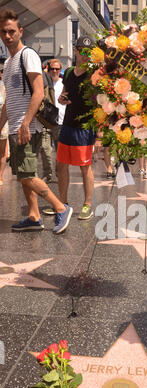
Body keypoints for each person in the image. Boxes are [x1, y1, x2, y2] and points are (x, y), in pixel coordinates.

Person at [0, 8, 72, 233]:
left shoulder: (27, 55)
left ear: (20, 31)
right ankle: (33, 216)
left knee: (28, 175)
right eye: (3, 31)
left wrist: (25, 123)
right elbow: (9, 101)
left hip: (27, 126)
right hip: (16, 126)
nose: (8, 35)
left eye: (12, 31)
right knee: (23, 174)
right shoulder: (10, 62)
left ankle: (60, 207)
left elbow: (39, 92)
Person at [43, 36, 96, 221]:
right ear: (76, 51)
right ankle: (62, 203)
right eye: (82, 51)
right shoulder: (71, 72)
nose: (85, 55)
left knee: (85, 167)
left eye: (89, 52)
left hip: (85, 127)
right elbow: (63, 95)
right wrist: (61, 99)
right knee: (61, 164)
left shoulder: (95, 74)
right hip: (67, 124)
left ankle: (87, 204)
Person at [39, 58, 65, 183]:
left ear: (60, 70)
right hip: (45, 122)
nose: (54, 71)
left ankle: (60, 172)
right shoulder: (43, 83)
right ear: (48, 69)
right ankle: (47, 173)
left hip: (61, 123)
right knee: (45, 149)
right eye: (52, 69)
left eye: (57, 69)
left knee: (60, 152)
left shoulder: (64, 83)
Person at [0, 62, 8, 185]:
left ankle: (0, 176)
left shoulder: (4, 87)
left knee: (2, 151)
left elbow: (7, 105)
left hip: (2, 122)